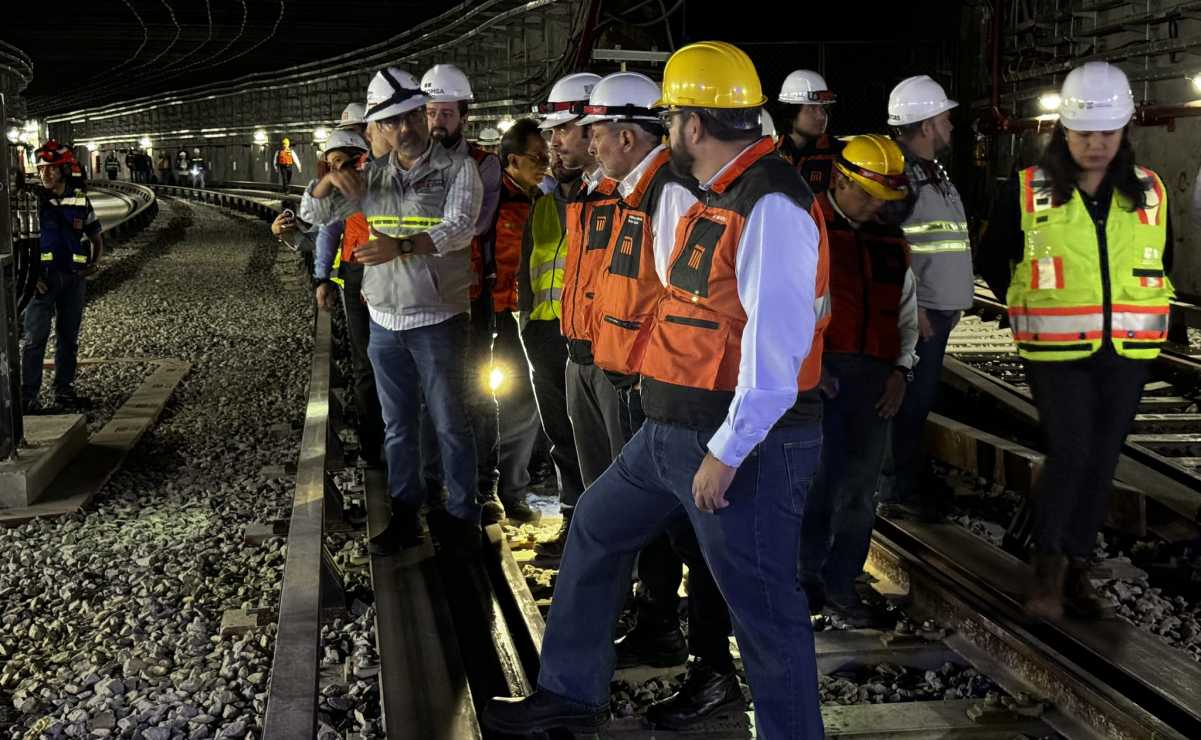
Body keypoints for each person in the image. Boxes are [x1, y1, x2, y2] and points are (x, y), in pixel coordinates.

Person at [483, 41, 830, 739]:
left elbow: (779, 348)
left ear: (693, 125)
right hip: (670, 426)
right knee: (596, 528)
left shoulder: (771, 204)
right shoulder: (717, 192)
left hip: (740, 442)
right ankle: (569, 693)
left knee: (765, 612)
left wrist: (725, 453)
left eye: (670, 119)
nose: (665, 130)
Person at [978, 62, 1171, 621]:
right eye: (1085, 133)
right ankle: (1049, 568)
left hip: (1127, 354)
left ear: (1123, 132)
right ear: (1064, 131)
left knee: (1102, 457)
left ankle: (1078, 562)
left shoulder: (1150, 193)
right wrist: (1024, 304)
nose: (1095, 144)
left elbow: (1163, 263)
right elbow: (993, 259)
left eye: (1106, 133)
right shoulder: (1027, 191)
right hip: (1056, 353)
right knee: (1072, 452)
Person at [580, 70, 742, 729]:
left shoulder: (668, 196)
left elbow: (693, 308)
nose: (588, 143)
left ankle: (713, 671)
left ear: (626, 134)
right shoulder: (633, 192)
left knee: (696, 535)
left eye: (594, 132)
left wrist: (664, 392)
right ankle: (663, 630)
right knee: (666, 528)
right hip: (646, 392)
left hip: (669, 400)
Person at [301, 67, 484, 556]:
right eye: (391, 121)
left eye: (410, 117)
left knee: (448, 420)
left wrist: (399, 245)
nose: (403, 129)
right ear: (376, 129)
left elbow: (460, 228)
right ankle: (406, 512)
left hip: (437, 318)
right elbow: (314, 219)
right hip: (385, 320)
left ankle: (463, 514)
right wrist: (321, 189)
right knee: (398, 425)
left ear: (423, 117)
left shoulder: (456, 169)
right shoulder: (373, 175)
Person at [799, 134, 918, 621]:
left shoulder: (891, 240)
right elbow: (786, 308)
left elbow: (905, 314)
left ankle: (841, 582)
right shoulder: (807, 229)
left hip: (875, 380)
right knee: (816, 484)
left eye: (884, 199)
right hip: (819, 379)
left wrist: (901, 371)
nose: (875, 207)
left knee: (859, 488)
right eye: (868, 195)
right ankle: (803, 579)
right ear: (841, 180)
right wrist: (811, 365)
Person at [422, 63, 539, 524]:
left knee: (476, 393)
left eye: (446, 113)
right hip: (418, 299)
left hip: (470, 300)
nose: (437, 122)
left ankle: (485, 487)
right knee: (427, 398)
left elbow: (471, 225)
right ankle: (435, 492)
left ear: (463, 116)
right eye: (431, 112)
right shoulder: (405, 161)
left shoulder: (483, 165)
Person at [876, 74, 973, 522]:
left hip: (939, 309)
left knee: (918, 402)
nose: (951, 124)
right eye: (945, 118)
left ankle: (904, 481)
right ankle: (894, 489)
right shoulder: (901, 177)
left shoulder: (932, 172)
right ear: (927, 124)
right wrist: (912, 314)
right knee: (907, 405)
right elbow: (890, 247)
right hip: (923, 313)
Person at [310, 126, 386, 467]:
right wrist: (321, 277)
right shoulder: (340, 194)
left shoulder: (382, 177)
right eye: (331, 164)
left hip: (390, 271)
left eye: (341, 161)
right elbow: (326, 229)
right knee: (365, 363)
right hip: (357, 274)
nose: (336, 170)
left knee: (393, 363)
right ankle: (374, 448)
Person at [22, 140, 104, 414]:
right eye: (42, 168)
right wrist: (30, 278)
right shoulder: (31, 202)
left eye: (51, 169)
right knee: (35, 340)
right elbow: (19, 243)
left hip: (73, 278)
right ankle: (28, 397)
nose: (45, 174)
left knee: (68, 337)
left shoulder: (79, 199)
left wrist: (94, 262)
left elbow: (95, 235)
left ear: (64, 171)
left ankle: (63, 391)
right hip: (42, 281)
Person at [775, 69, 843, 194]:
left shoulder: (841, 156)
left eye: (823, 107)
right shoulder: (770, 156)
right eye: (812, 108)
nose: (822, 115)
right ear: (791, 112)